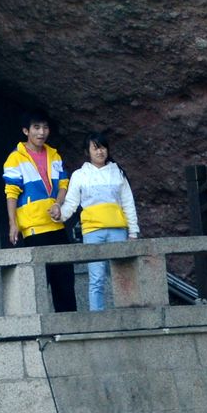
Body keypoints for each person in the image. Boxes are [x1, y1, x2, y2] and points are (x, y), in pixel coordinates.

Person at [56, 131, 140, 312]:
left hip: (118, 229)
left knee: (123, 274)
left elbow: (128, 203)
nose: (100, 152)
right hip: (92, 231)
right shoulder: (80, 175)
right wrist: (59, 216)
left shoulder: (117, 172)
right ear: (87, 152)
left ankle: (127, 314)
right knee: (96, 278)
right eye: (95, 148)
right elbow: (71, 202)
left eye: (102, 147)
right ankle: (98, 318)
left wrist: (133, 232)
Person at [3, 114, 77, 312]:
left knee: (65, 282)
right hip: (34, 229)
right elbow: (11, 192)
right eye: (36, 127)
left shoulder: (54, 154)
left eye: (45, 128)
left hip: (57, 225)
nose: (41, 132)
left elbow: (63, 184)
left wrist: (58, 203)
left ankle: (68, 332)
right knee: (37, 285)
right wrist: (13, 223)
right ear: (26, 131)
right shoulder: (15, 158)